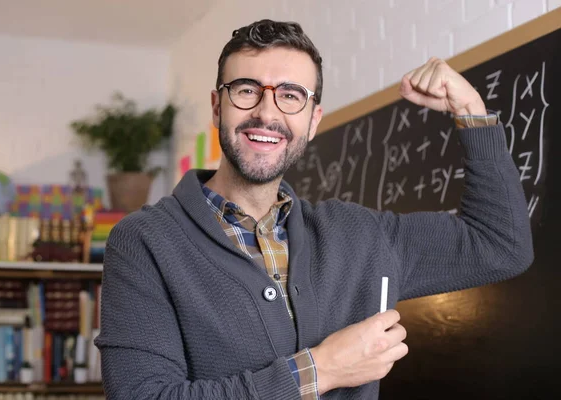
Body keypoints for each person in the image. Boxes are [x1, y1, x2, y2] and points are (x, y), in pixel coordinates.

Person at [94, 19, 533, 400]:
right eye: (247, 90)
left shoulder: (359, 235)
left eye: (291, 95)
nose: (267, 113)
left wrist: (470, 111)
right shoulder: (145, 241)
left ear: (314, 119)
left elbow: (501, 243)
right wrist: (324, 370)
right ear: (217, 106)